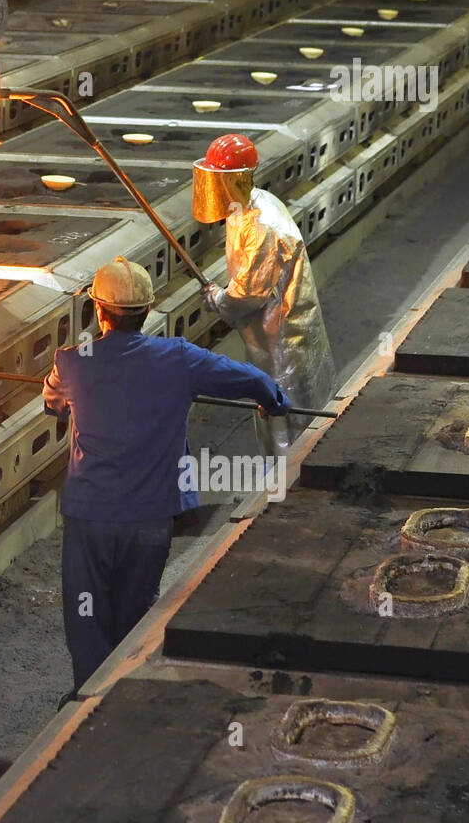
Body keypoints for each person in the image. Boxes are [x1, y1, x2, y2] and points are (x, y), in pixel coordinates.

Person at [43, 254, 292, 704]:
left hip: (91, 518)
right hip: (150, 517)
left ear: (98, 311)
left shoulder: (73, 362)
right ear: (147, 312)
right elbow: (249, 380)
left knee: (86, 614)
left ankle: (85, 701)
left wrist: (65, 402)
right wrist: (272, 399)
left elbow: (53, 402)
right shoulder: (178, 359)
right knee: (137, 611)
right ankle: (123, 697)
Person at [193, 133, 337, 456]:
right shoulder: (247, 207)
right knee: (276, 406)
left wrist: (217, 298)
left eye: (217, 179)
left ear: (234, 180)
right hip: (270, 330)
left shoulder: (261, 226)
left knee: (288, 413)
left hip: (284, 336)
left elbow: (247, 294)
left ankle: (290, 488)